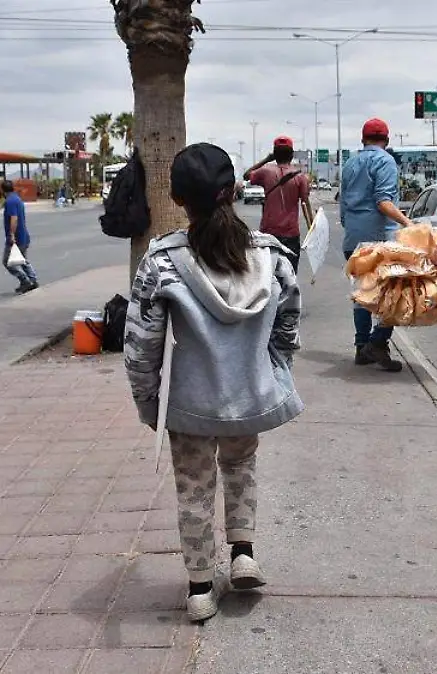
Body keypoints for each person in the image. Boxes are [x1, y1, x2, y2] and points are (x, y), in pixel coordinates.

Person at [124, 142, 303, 622]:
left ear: (181, 200)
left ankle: (200, 587)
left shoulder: (161, 263)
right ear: (234, 193)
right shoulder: (272, 258)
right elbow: (288, 326)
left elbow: (141, 347)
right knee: (241, 467)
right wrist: (269, 372)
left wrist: (149, 404)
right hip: (249, 396)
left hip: (190, 402)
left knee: (194, 487)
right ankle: (243, 553)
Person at [339, 118, 413, 372]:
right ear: (387, 140)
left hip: (353, 240)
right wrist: (407, 222)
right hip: (379, 241)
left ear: (363, 139)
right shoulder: (385, 160)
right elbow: (383, 201)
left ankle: (362, 348)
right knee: (396, 292)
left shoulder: (349, 163)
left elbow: (342, 208)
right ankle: (378, 342)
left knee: (362, 296)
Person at [243, 136, 311, 272]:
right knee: (290, 275)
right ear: (292, 155)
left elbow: (246, 175)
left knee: (268, 276)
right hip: (290, 235)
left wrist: (267, 159)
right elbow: (305, 204)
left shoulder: (265, 171)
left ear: (274, 154)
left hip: (268, 234)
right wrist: (312, 229)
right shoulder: (300, 177)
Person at [1, 180, 39, 294]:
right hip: (23, 235)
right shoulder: (17, 199)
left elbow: (14, 218)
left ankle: (26, 280)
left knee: (7, 261)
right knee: (23, 260)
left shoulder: (10, 201)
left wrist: (12, 235)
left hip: (17, 237)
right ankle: (31, 280)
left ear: (3, 190)